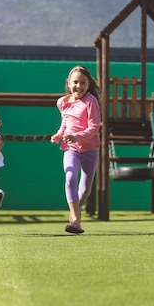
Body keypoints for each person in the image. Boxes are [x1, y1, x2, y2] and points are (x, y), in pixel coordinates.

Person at [50, 65, 101, 234]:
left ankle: (76, 214)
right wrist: (58, 135)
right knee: (70, 177)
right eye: (75, 82)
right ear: (68, 83)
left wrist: (77, 136)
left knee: (85, 190)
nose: (78, 86)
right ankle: (75, 219)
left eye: (83, 83)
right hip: (70, 149)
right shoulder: (62, 103)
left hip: (90, 150)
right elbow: (65, 124)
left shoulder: (91, 101)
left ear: (88, 84)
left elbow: (94, 128)